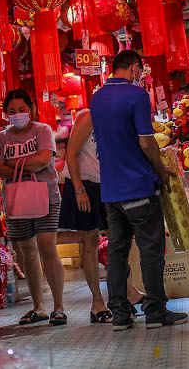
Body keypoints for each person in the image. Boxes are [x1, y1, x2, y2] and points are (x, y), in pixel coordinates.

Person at [89, 49, 188, 332]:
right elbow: (146, 142)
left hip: (110, 191)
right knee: (150, 249)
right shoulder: (137, 95)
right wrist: (160, 169)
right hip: (138, 186)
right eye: (140, 71)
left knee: (118, 253)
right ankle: (155, 311)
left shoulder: (97, 98)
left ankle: (120, 313)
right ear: (134, 68)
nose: (141, 76)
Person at [0, 89, 67, 327]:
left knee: (47, 247)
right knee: (27, 252)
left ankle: (58, 307)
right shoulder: (1, 138)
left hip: (46, 196)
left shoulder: (42, 130)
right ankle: (38, 307)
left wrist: (12, 164)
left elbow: (43, 161)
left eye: (22, 110)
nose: (17, 115)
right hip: (16, 200)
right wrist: (27, 165)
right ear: (5, 114)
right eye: (12, 111)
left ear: (31, 109)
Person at [59, 110, 112, 323]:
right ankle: (97, 303)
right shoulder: (88, 116)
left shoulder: (119, 115)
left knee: (118, 239)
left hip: (106, 183)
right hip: (84, 184)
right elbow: (70, 153)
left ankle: (127, 292)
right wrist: (80, 190)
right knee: (90, 242)